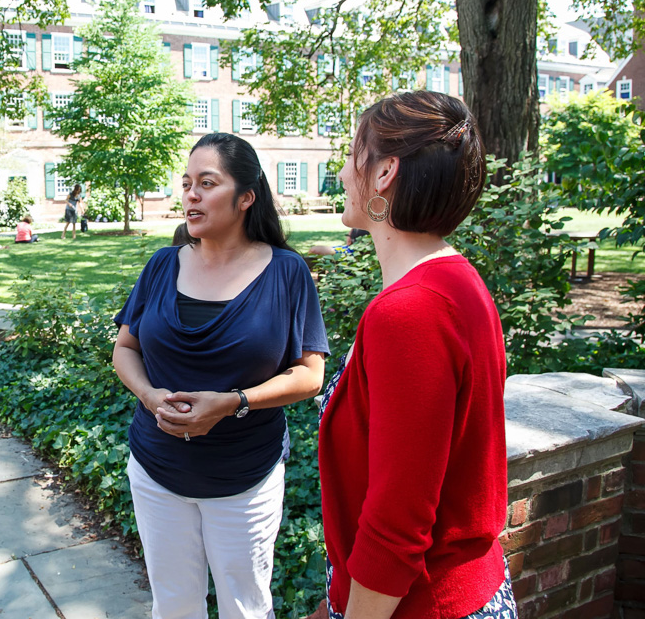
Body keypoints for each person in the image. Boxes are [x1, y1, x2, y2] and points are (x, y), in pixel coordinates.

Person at [113, 132, 329, 619]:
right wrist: (148, 396)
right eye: (187, 183)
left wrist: (233, 402)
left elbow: (310, 374)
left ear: (246, 197)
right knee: (173, 605)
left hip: (244, 478)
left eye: (207, 183)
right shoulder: (162, 264)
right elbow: (125, 348)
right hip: (156, 470)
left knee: (245, 607)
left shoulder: (287, 272)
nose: (191, 194)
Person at [317, 90, 514, 619]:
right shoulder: (458, 281)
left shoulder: (411, 313)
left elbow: (397, 524)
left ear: (384, 173)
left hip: (422, 605)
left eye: (352, 153)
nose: (341, 171)